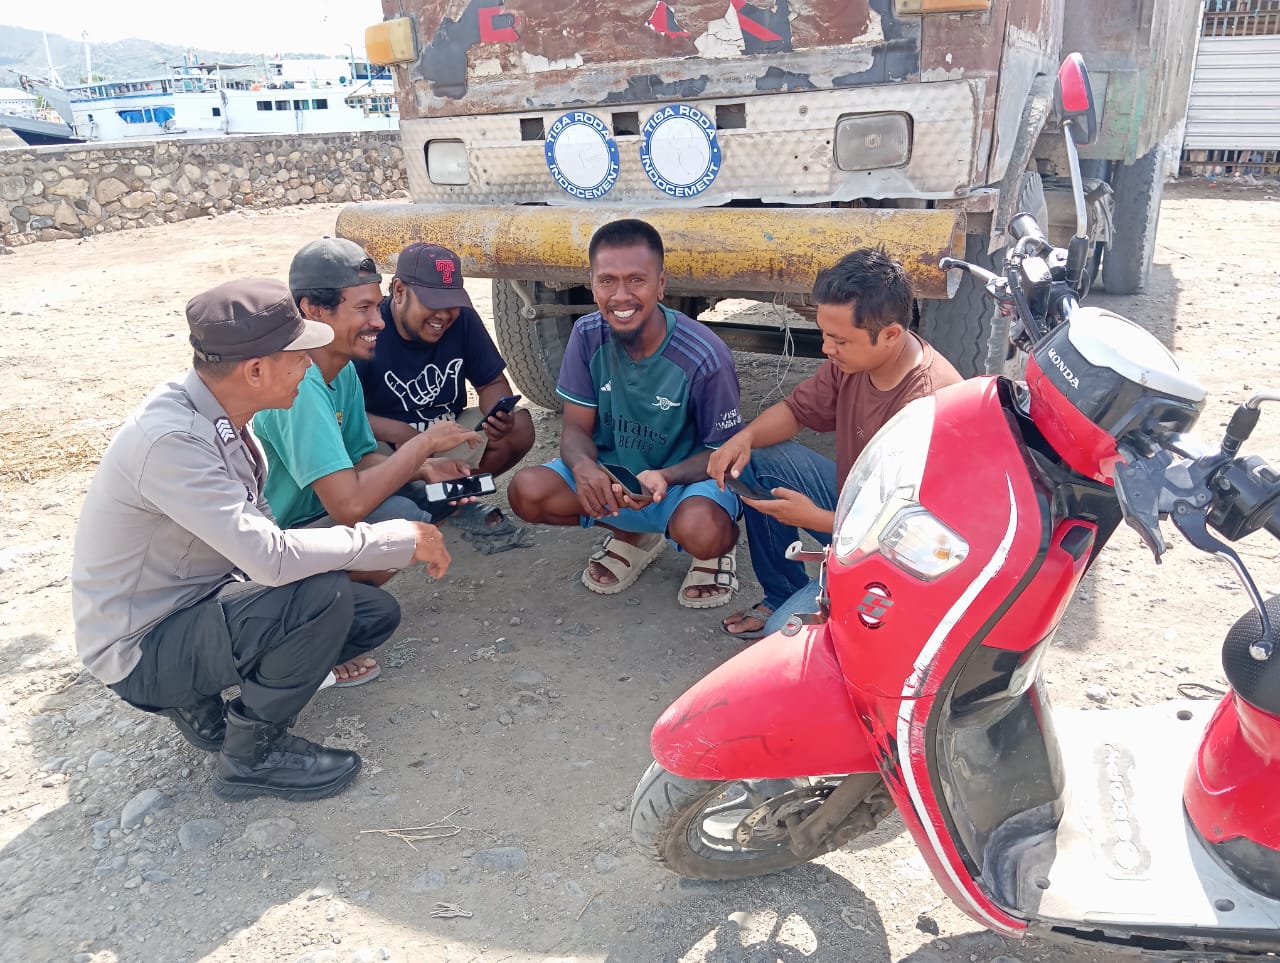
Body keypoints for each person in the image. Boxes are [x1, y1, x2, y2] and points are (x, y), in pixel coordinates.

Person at [71, 278, 452, 802]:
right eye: (298, 356)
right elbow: (269, 559)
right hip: (143, 647)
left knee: (367, 613)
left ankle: (203, 697)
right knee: (323, 597)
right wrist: (392, 539)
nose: (308, 364)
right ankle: (252, 757)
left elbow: (264, 541)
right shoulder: (172, 442)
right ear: (255, 370)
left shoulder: (222, 414)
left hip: (196, 605)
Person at [252, 238, 482, 686]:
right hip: (273, 544)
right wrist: (423, 445)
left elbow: (360, 456)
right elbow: (349, 506)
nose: (378, 321)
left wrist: (423, 470)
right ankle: (305, 630)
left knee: (415, 502)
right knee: (399, 521)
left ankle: (325, 615)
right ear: (313, 311)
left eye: (377, 307)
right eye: (363, 308)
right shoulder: (298, 384)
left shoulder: (340, 368)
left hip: (314, 520)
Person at [710, 248, 963, 639]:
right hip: (856, 508)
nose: (827, 349)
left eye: (840, 340)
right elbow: (796, 411)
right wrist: (744, 438)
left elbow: (918, 535)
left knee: (784, 634)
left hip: (901, 551)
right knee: (755, 457)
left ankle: (841, 603)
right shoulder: (855, 362)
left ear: (891, 335)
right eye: (825, 334)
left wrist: (815, 519)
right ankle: (782, 593)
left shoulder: (930, 405)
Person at [507, 218, 744, 607]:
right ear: (592, 283)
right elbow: (575, 430)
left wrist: (666, 476)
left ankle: (713, 553)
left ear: (661, 284)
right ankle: (633, 534)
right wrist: (585, 468)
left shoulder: (704, 355)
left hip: (683, 485)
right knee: (527, 492)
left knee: (703, 530)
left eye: (636, 280)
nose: (620, 296)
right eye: (607, 281)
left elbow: (726, 455)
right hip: (616, 480)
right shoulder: (587, 335)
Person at [355, 241, 535, 491]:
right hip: (389, 443)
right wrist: (398, 432)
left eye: (451, 302)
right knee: (357, 455)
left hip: (447, 431)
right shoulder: (370, 328)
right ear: (399, 291)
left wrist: (498, 417)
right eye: (433, 302)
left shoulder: (463, 319)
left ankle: (450, 496)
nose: (444, 314)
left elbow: (491, 383)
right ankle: (418, 497)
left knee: (519, 426)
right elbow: (342, 413)